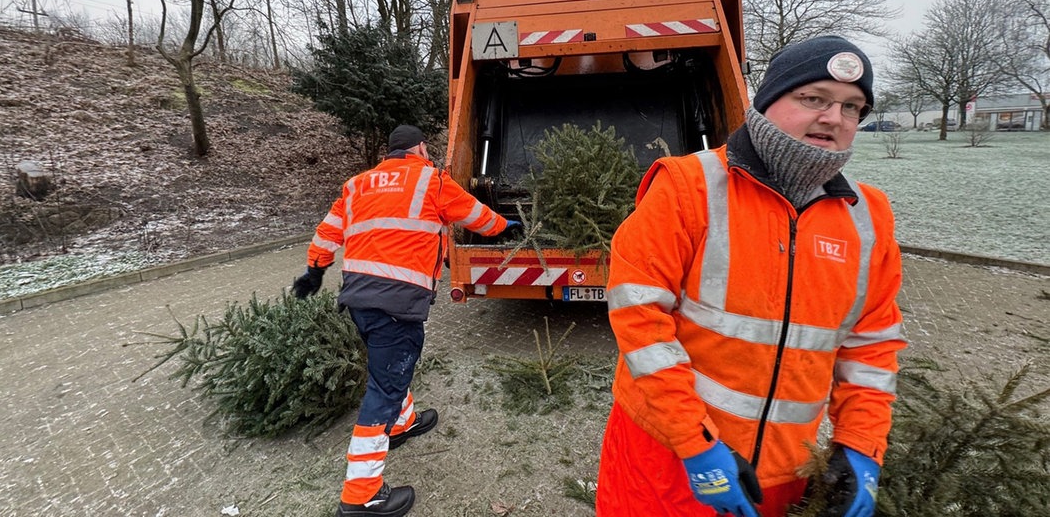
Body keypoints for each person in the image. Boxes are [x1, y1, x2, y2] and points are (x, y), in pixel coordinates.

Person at [596, 36, 906, 517]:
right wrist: (693, 441)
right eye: (813, 98)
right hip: (667, 463)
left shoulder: (868, 217)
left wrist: (861, 446)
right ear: (766, 102)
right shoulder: (688, 187)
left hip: (782, 477)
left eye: (852, 107)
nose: (833, 118)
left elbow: (871, 346)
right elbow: (640, 321)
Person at [291, 124, 519, 517]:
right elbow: (475, 216)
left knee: (388, 370)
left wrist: (315, 270)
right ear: (420, 148)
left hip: (361, 300)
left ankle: (404, 422)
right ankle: (361, 495)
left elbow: (328, 232)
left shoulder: (358, 184)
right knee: (384, 389)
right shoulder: (431, 180)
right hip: (396, 304)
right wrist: (505, 226)